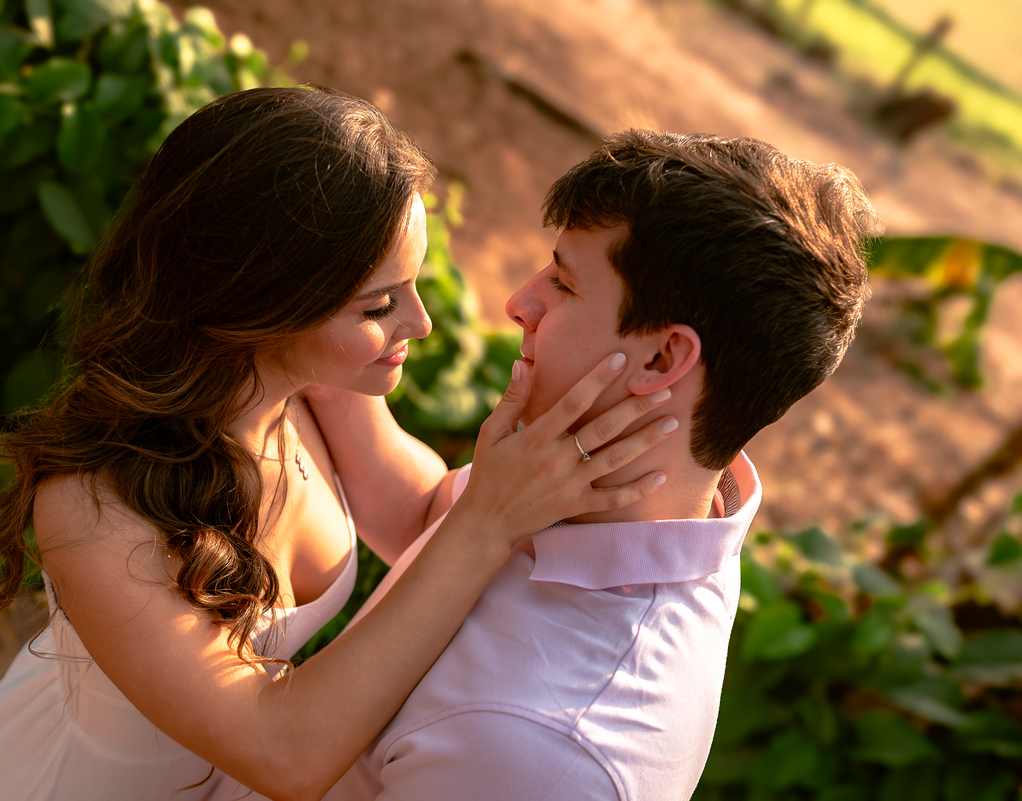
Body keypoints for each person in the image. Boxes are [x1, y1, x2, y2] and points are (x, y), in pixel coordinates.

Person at [0, 88, 677, 801]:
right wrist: (488, 520)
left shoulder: (314, 385)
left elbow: (419, 518)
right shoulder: (92, 507)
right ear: (261, 303)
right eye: (378, 305)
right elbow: (282, 752)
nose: (419, 323)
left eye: (413, 286)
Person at [326, 130, 882, 801]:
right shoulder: (633, 494)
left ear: (661, 358)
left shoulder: (542, 749)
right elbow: (430, 523)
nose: (520, 302)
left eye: (563, 283)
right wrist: (314, 334)